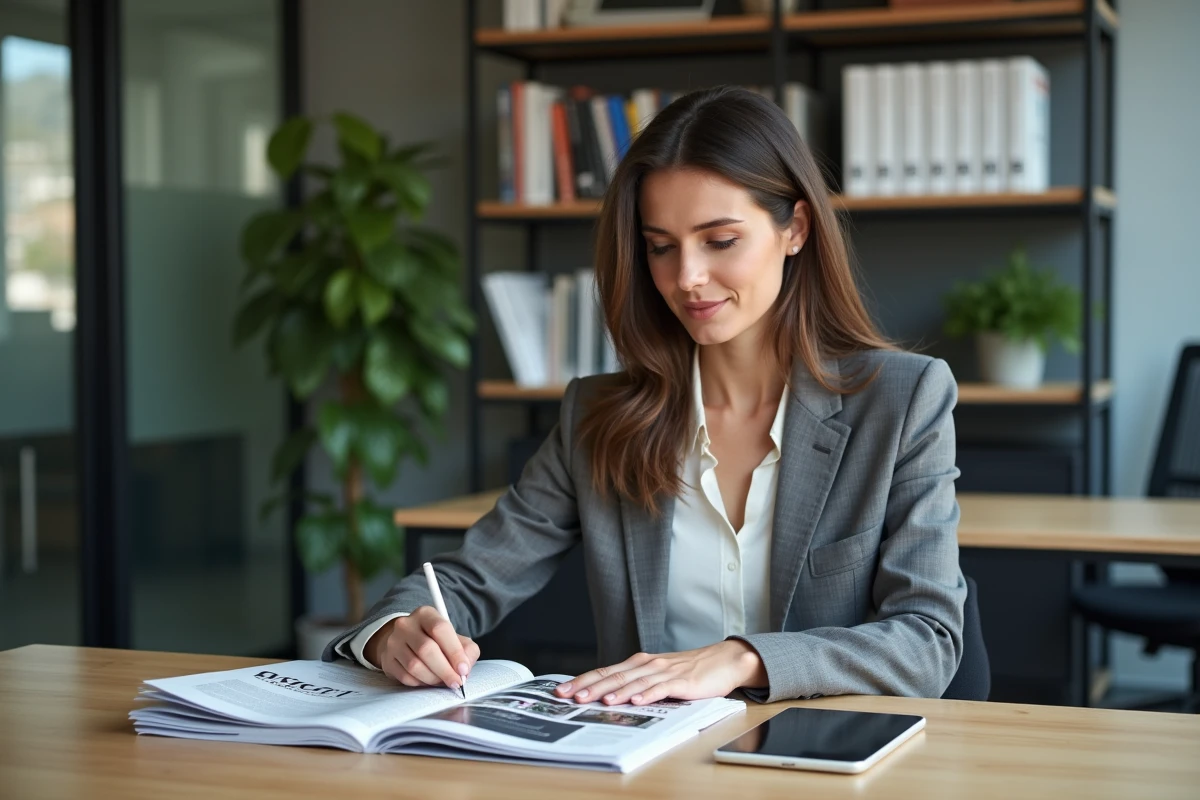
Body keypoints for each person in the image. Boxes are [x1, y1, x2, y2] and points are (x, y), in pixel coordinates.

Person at [324, 84, 966, 706]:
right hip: (649, 765)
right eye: (661, 247)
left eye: (720, 241)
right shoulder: (599, 417)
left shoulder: (902, 401)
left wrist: (743, 657)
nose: (686, 278)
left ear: (795, 228)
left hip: (827, 762)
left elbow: (928, 640)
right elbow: (467, 578)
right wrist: (393, 633)